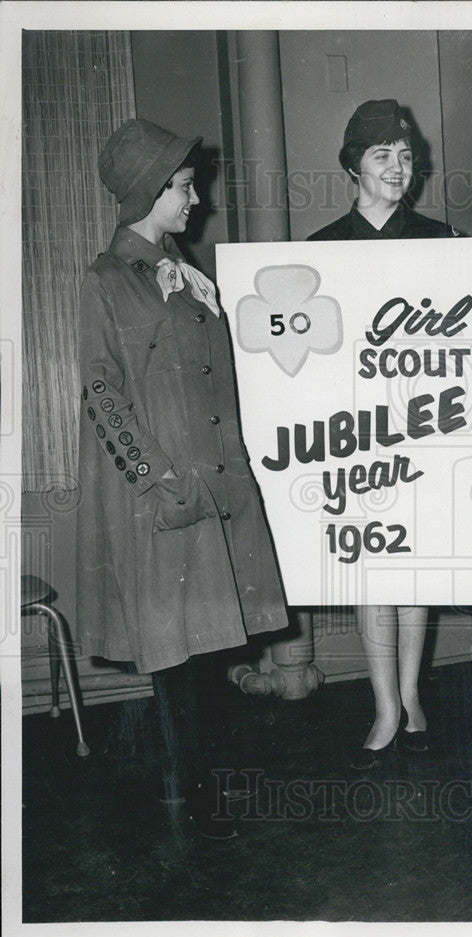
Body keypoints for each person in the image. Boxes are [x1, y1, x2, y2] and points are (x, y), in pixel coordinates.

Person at [76, 119, 289, 835]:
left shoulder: (189, 278)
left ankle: (201, 787)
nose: (195, 198)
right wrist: (156, 480)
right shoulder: (107, 282)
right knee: (173, 657)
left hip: (217, 491)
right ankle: (185, 792)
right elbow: (102, 396)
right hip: (165, 498)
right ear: (147, 192)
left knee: (209, 650)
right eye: (182, 186)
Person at [308, 99, 459, 768]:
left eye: (405, 157)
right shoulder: (320, 251)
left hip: (422, 431)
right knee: (375, 574)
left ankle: (410, 693)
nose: (398, 169)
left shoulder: (441, 240)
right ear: (352, 166)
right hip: (355, 437)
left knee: (416, 572)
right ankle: (383, 705)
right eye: (381, 157)